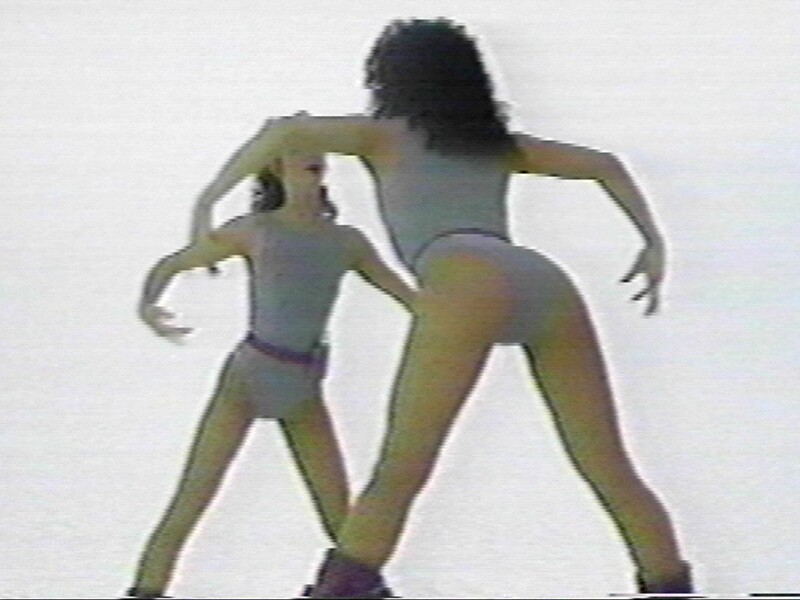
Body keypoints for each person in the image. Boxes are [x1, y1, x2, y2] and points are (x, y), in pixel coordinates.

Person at [188, 19, 695, 598]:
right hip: (545, 283)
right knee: (608, 464)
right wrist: (652, 241)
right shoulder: (496, 144)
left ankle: (342, 591)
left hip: (462, 276)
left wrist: (207, 203)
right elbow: (605, 164)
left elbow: (284, 131)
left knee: (401, 466)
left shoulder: (383, 136)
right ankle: (670, 586)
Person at [123, 153, 414, 600]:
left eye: (318, 161)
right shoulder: (257, 231)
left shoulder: (346, 242)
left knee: (342, 517)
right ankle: (147, 591)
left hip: (303, 389)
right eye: (302, 160)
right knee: (191, 501)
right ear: (278, 172)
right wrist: (149, 304)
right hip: (248, 379)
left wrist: (459, 316)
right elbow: (173, 264)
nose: (315, 165)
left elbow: (403, 294)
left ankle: (363, 591)